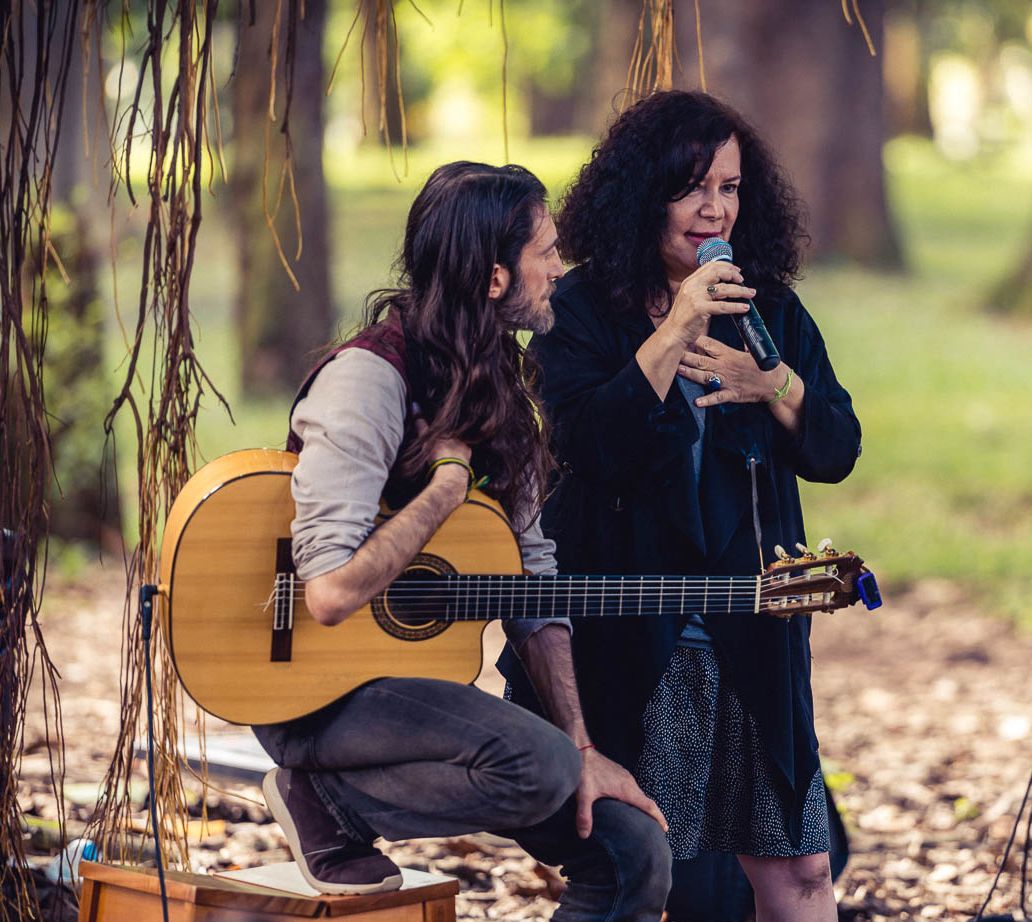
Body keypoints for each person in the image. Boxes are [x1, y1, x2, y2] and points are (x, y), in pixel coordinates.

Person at [251, 161, 671, 921]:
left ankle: (356, 797)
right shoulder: (369, 381)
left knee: (632, 849)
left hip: (397, 686)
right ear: (492, 276)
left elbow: (532, 576)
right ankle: (322, 798)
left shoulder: (503, 384)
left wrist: (581, 744)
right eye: (545, 251)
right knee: (534, 765)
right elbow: (333, 591)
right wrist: (446, 488)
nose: (558, 268)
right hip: (306, 686)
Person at [500, 90, 861, 922]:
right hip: (638, 627)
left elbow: (835, 449)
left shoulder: (766, 307)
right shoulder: (579, 312)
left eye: (730, 188)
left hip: (752, 626)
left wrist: (770, 383)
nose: (713, 208)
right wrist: (675, 330)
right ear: (640, 194)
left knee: (800, 868)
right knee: (659, 871)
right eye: (690, 186)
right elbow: (588, 445)